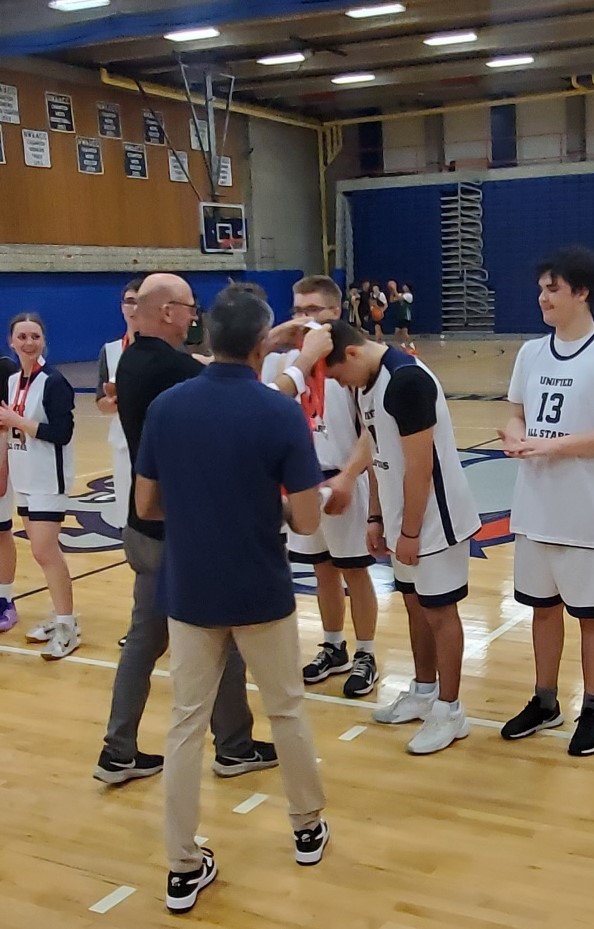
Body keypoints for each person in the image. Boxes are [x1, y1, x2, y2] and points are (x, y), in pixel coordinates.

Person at [135, 287, 329, 913]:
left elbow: (145, 505)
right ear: (260, 344)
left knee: (186, 723)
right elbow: (307, 520)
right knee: (287, 709)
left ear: (207, 335)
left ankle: (181, 865)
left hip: (191, 587)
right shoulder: (278, 412)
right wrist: (266, 510)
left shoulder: (168, 406)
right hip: (259, 586)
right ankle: (306, 827)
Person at [93, 273, 275, 786]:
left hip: (142, 525)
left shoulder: (134, 359)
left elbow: (209, 368)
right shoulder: (172, 369)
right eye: (190, 308)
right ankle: (234, 746)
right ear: (169, 311)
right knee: (222, 635)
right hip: (180, 531)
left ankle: (118, 750)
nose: (195, 316)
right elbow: (239, 392)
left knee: (144, 640)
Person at [497, 247, 594, 756]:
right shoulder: (531, 353)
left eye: (552, 289)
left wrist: (555, 445)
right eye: (541, 289)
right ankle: (545, 700)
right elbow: (517, 413)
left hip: (584, 511)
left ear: (581, 292)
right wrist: (516, 434)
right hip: (535, 505)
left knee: (592, 615)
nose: (542, 297)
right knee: (542, 610)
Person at [324, 319, 480, 755]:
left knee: (440, 612)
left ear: (352, 353)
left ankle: (451, 710)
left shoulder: (406, 381)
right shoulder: (366, 383)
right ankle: (424, 691)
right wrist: (376, 517)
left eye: (338, 375)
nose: (340, 384)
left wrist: (410, 530)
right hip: (401, 518)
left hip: (435, 521)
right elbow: (377, 452)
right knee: (414, 605)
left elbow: (420, 467)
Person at [262, 275, 380, 698]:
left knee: (355, 570)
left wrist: (350, 478)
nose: (304, 319)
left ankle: (367, 652)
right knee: (321, 570)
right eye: (297, 310)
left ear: (335, 312)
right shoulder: (285, 363)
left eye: (313, 310)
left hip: (344, 476)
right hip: (302, 480)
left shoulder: (353, 360)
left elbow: (372, 431)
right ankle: (334, 645)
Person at [0, 314, 77, 659]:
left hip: (48, 479)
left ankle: (67, 624)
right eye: (22, 337)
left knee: (45, 552)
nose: (29, 342)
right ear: (11, 341)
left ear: (44, 341)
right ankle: (58, 615)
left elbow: (62, 433)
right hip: (25, 477)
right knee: (43, 552)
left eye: (35, 336)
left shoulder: (54, 381)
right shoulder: (12, 380)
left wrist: (18, 421)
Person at [96, 277, 142, 532]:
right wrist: (114, 401)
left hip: (155, 439)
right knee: (127, 514)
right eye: (129, 301)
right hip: (123, 441)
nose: (134, 308)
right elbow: (100, 402)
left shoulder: (167, 349)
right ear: (122, 306)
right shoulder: (111, 350)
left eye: (140, 302)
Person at [0, 352, 19, 633]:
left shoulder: (5, 370)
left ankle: (5, 599)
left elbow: (7, 424)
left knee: (1, 530)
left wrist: (2, 463)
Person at [389, 280, 416, 353]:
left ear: (408, 288)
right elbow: (391, 300)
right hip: (399, 316)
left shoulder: (409, 295)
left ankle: (412, 346)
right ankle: (402, 346)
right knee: (397, 332)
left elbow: (399, 298)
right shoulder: (401, 294)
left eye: (405, 286)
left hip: (405, 316)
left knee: (404, 333)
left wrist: (394, 288)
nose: (403, 286)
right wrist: (392, 292)